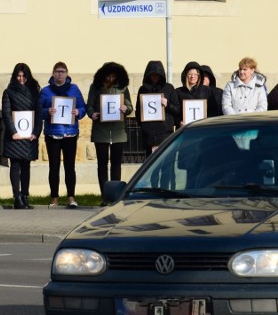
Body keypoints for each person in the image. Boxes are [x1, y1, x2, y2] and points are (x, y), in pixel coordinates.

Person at [87, 62, 133, 205]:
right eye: (108, 76)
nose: (110, 79)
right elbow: (89, 105)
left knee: (116, 164)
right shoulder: (95, 88)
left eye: (113, 76)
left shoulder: (123, 88)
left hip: (119, 132)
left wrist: (126, 108)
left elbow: (130, 106)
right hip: (101, 131)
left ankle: (115, 196)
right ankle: (104, 196)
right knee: (102, 164)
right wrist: (92, 114)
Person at [40, 62, 86, 209]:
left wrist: (79, 112)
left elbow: (82, 107)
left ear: (67, 73)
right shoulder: (46, 91)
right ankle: (54, 197)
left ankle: (71, 197)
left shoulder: (74, 89)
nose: (60, 74)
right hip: (52, 134)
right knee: (53, 167)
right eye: (57, 71)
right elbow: (38, 110)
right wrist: (47, 112)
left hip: (70, 133)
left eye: (62, 71)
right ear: (53, 73)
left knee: (69, 166)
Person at [2, 63, 42, 210]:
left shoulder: (34, 92)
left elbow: (39, 114)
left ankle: (25, 196)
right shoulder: (8, 92)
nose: (21, 78)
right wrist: (13, 132)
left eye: (24, 76)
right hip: (15, 136)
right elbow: (6, 113)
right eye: (18, 76)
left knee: (26, 166)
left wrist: (36, 133)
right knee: (15, 166)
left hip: (29, 136)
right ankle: (17, 197)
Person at [136, 61, 178, 157]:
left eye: (157, 75)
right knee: (151, 165)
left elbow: (177, 109)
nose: (155, 77)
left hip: (165, 133)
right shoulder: (143, 89)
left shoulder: (169, 88)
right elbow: (138, 111)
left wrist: (167, 104)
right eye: (152, 75)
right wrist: (143, 126)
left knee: (167, 163)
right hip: (149, 135)